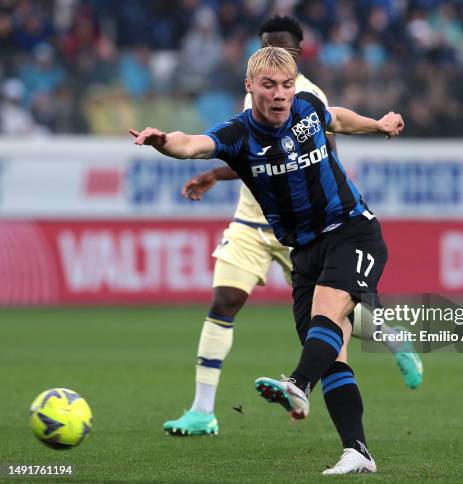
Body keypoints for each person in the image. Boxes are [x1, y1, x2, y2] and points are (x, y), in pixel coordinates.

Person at [131, 46, 403, 474]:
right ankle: (357, 451)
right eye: (269, 85)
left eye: (287, 85)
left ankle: (296, 384)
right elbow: (193, 145)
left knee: (328, 316)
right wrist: (164, 142)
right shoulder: (239, 135)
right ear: (249, 87)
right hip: (305, 252)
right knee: (331, 352)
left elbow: (338, 118)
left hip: (353, 230)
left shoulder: (306, 107)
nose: (280, 94)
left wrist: (377, 125)